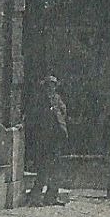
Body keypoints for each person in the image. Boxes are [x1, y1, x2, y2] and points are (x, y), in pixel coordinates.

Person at [28, 75, 69, 206]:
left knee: (56, 169)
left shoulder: (57, 98)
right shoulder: (39, 100)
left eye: (53, 85)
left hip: (56, 138)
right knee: (43, 170)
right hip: (44, 139)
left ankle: (51, 197)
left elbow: (63, 111)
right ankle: (35, 198)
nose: (51, 88)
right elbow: (34, 117)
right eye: (49, 85)